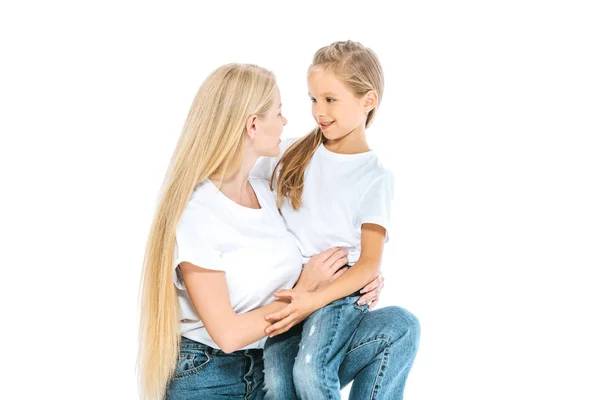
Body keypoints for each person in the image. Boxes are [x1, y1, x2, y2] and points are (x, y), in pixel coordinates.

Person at [137, 63, 374, 400]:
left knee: (397, 327)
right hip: (209, 377)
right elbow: (229, 334)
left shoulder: (265, 190)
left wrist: (357, 276)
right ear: (252, 125)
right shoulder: (196, 213)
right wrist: (304, 294)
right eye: (278, 112)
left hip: (268, 367)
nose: (285, 122)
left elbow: (316, 235)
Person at [254, 40, 420, 400]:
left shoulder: (374, 178)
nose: (319, 111)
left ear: (368, 100)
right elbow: (242, 185)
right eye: (313, 99)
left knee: (312, 372)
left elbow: (368, 265)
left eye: (331, 99)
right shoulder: (289, 152)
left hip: (334, 295)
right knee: (277, 386)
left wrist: (311, 301)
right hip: (290, 291)